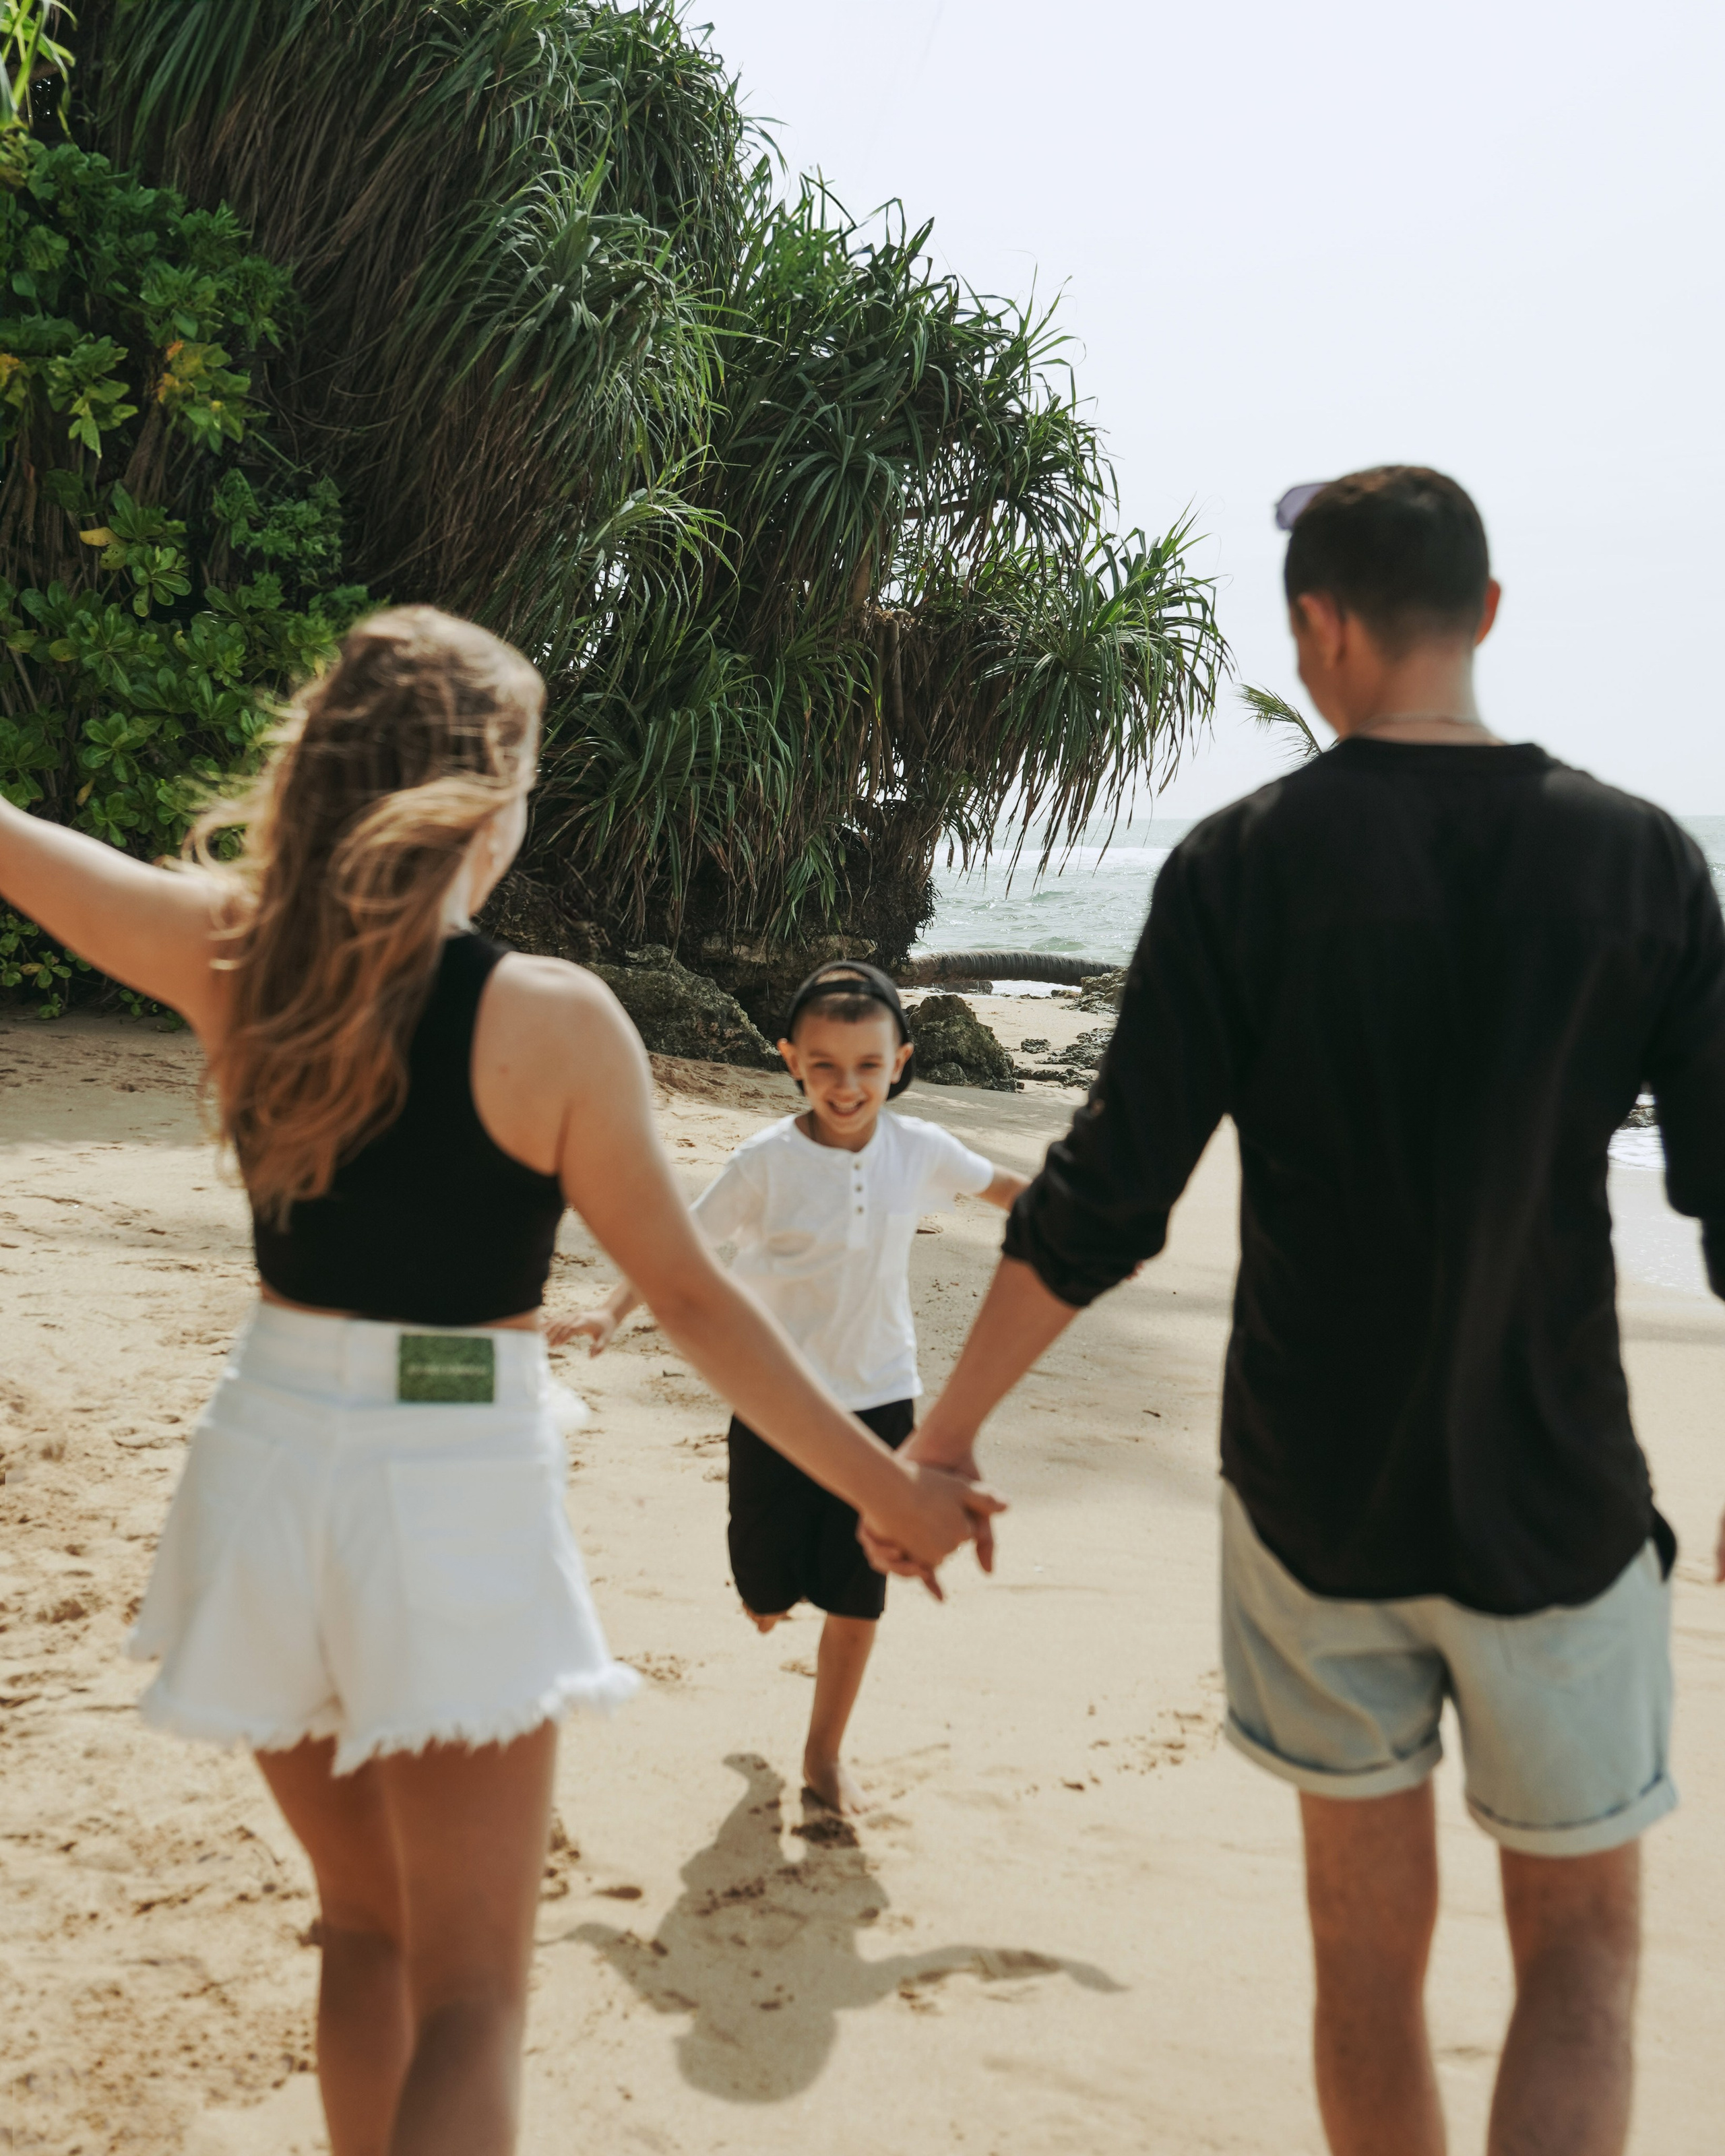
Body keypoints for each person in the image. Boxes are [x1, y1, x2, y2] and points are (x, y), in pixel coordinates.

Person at [0, 608, 1003, 2156]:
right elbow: (691, 1298)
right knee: (472, 1991)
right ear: (494, 801)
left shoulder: (237, 952)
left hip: (264, 1462)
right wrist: (890, 1490)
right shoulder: (550, 1017)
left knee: (360, 1926)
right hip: (448, 1480)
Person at [870, 468, 1725, 2156]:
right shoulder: (1635, 860)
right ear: (1484, 614)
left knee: (1362, 1962)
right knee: (1579, 1957)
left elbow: (1104, 1201)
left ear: (1316, 626)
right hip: (1555, 1494)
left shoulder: (1241, 862)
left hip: (1311, 1497)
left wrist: (943, 1441)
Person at [555, 961, 1028, 1813]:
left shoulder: (919, 1149)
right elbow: (679, 1249)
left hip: (882, 1396)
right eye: (825, 1066)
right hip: (774, 1402)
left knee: (859, 1592)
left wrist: (1089, 1232)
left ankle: (822, 1755)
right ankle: (767, 1597)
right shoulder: (765, 1162)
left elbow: (1008, 1192)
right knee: (763, 1584)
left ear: (900, 1062)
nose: (847, 1086)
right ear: (791, 1060)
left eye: (868, 1065)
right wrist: (608, 1309)